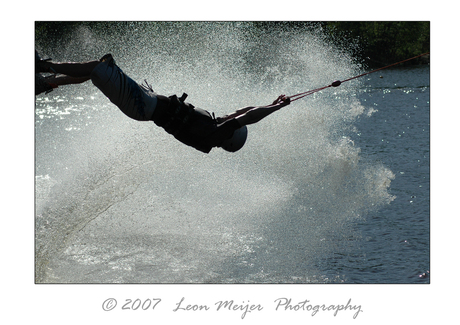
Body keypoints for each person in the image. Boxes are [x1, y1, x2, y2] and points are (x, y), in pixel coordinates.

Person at [37, 54, 291, 153]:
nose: (229, 118)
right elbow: (243, 112)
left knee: (98, 68)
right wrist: (270, 102)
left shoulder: (213, 134)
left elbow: (249, 118)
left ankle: (42, 66)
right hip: (143, 105)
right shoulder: (215, 130)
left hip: (142, 105)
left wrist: (277, 108)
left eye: (232, 124)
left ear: (230, 135)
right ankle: (47, 83)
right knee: (100, 68)